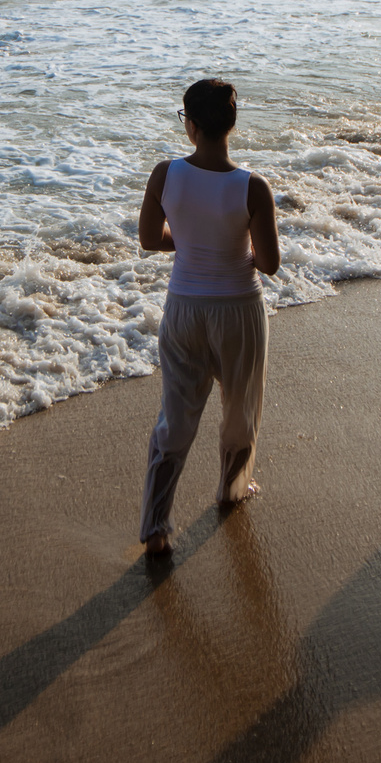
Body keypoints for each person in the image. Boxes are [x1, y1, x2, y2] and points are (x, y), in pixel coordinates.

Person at [136, 79, 282, 557]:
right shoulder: (252, 186)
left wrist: (194, 240)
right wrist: (226, 240)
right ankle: (231, 489)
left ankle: (156, 525)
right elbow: (268, 262)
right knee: (240, 407)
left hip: (184, 308)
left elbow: (150, 240)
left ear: (191, 127)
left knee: (175, 418)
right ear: (232, 125)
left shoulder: (165, 174)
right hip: (238, 308)